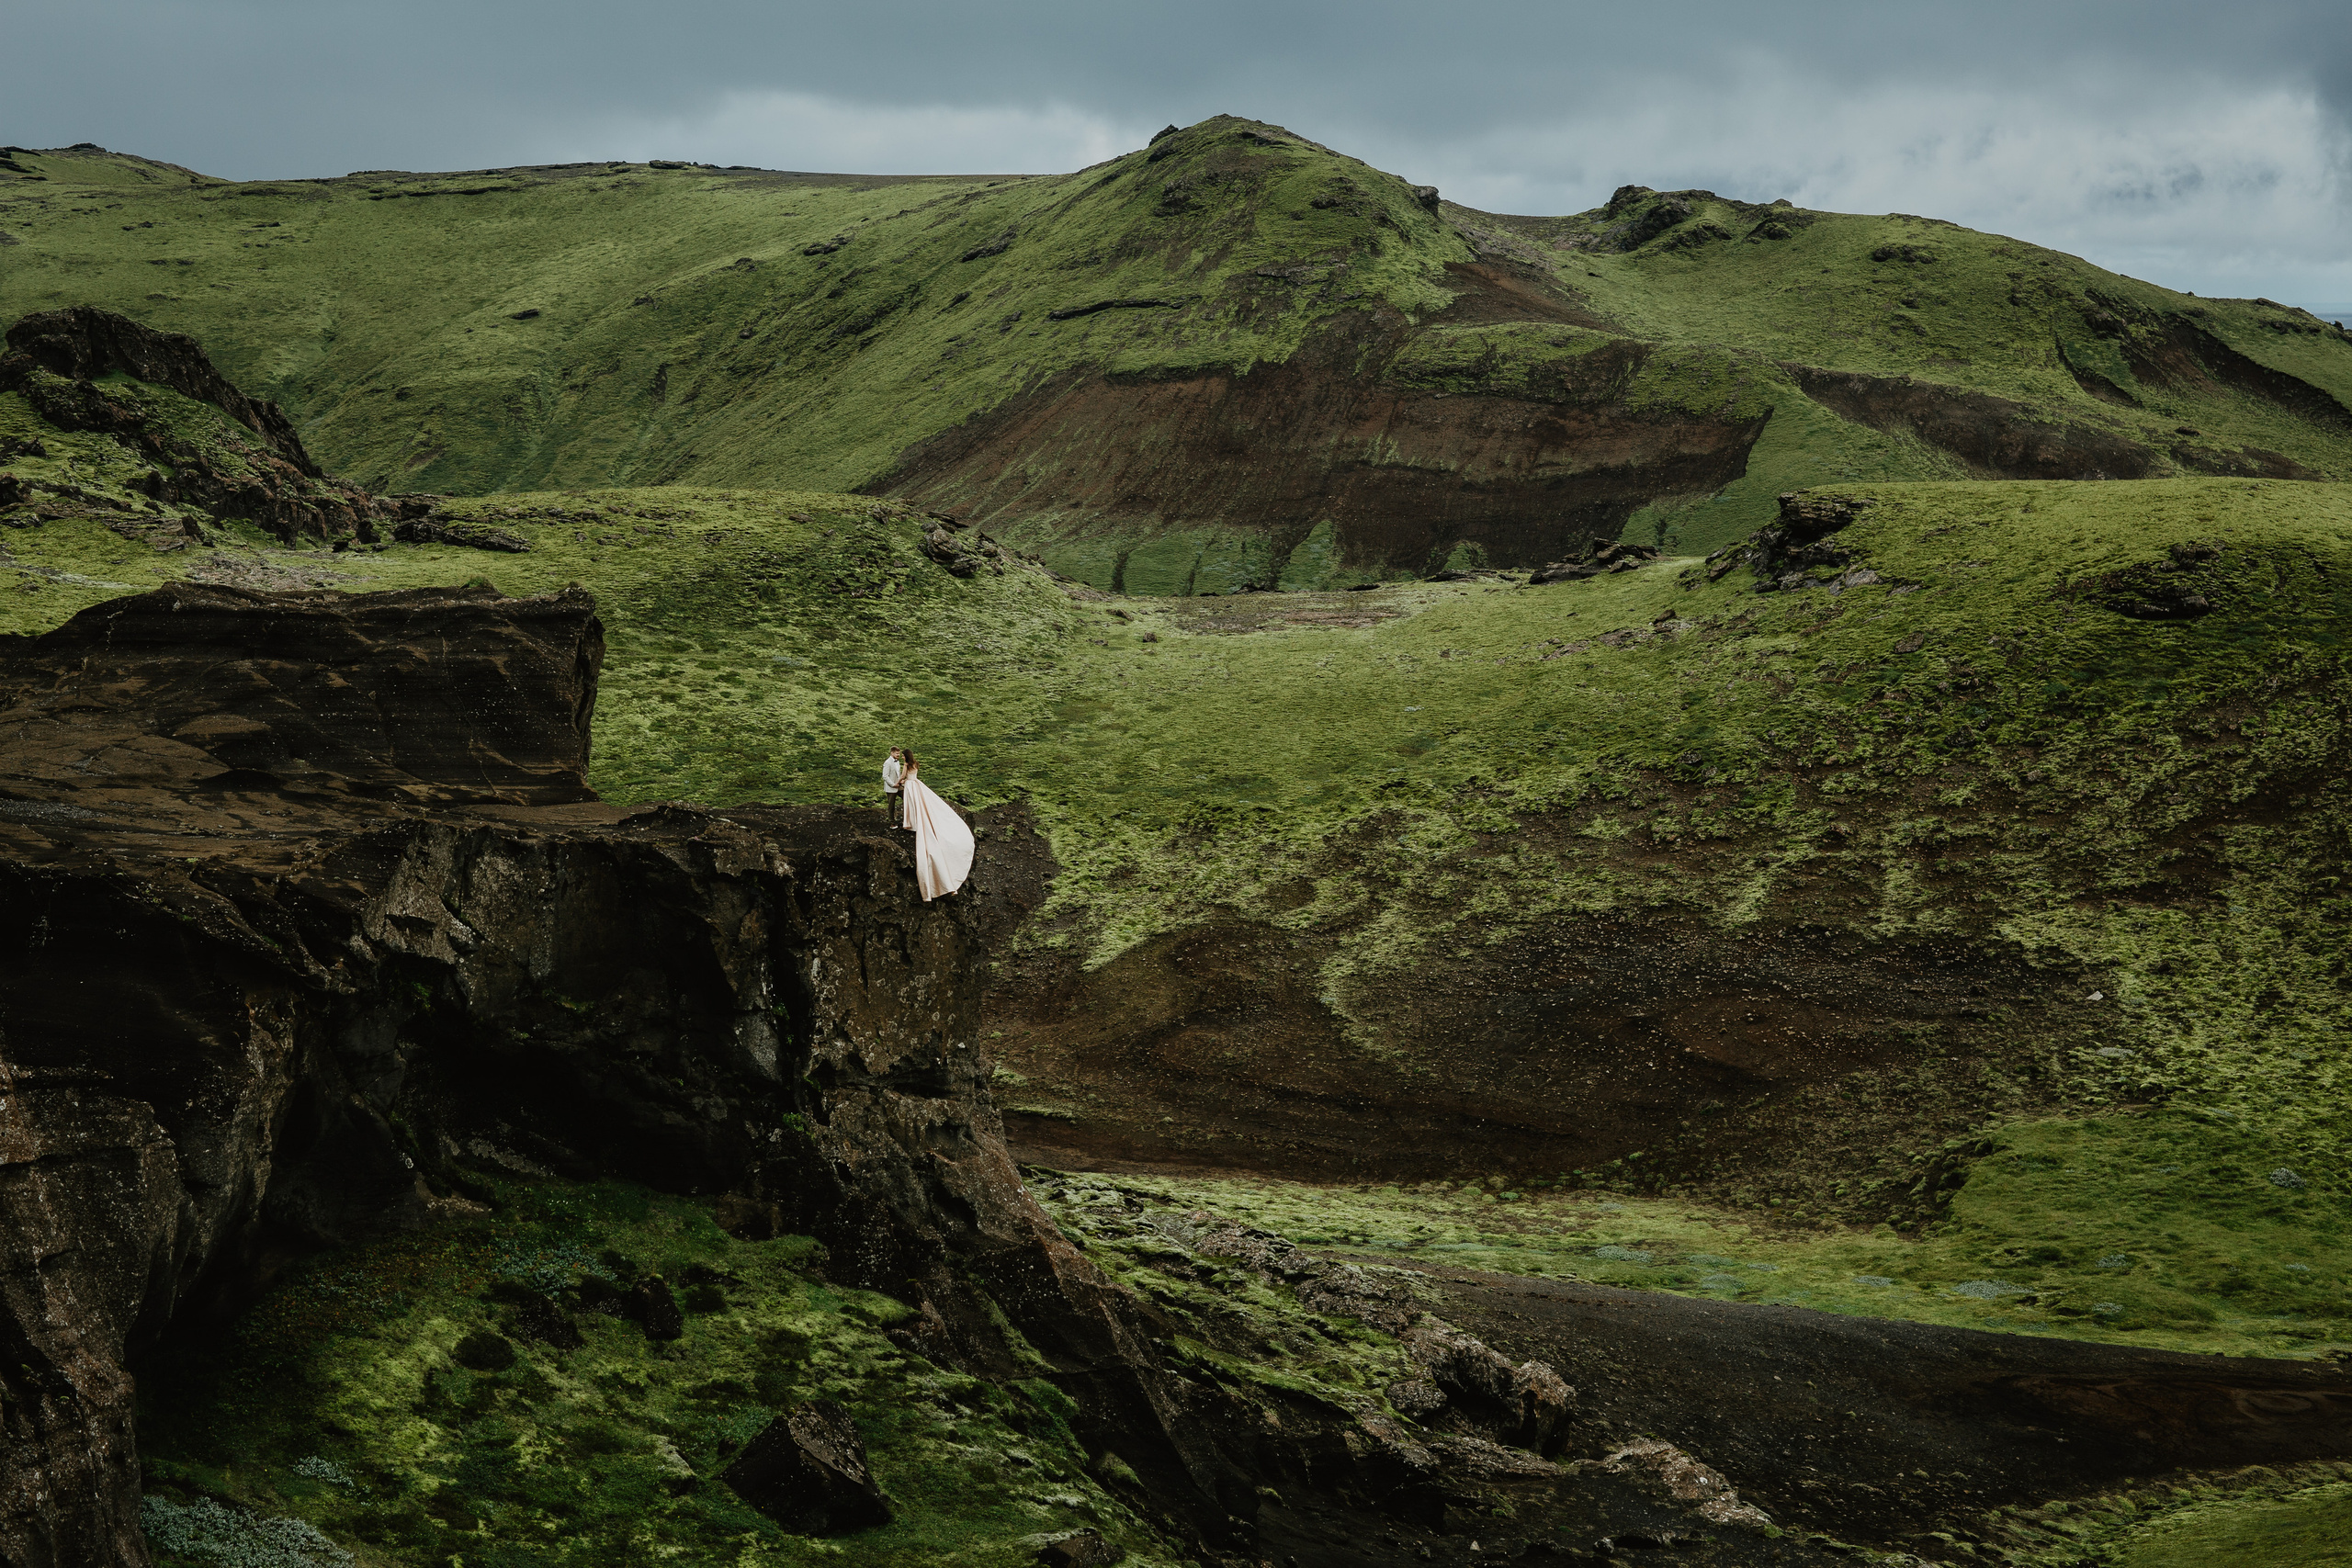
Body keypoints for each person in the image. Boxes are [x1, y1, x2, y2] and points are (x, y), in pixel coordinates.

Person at [896, 748, 975, 901]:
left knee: (911, 803)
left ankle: (911, 822)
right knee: (919, 803)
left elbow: (903, 776)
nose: (902, 757)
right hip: (916, 784)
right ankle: (914, 821)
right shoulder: (915, 764)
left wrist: (898, 782)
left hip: (910, 786)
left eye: (903, 755)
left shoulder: (906, 765)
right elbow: (913, 775)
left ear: (906, 756)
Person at [881, 746, 906, 826]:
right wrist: (893, 785)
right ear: (892, 753)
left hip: (899, 785)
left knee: (906, 798)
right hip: (891, 787)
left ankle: (907, 819)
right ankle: (891, 822)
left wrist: (900, 782)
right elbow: (885, 776)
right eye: (897, 753)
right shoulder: (887, 763)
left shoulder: (897, 762)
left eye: (899, 753)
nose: (898, 755)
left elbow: (898, 774)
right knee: (891, 805)